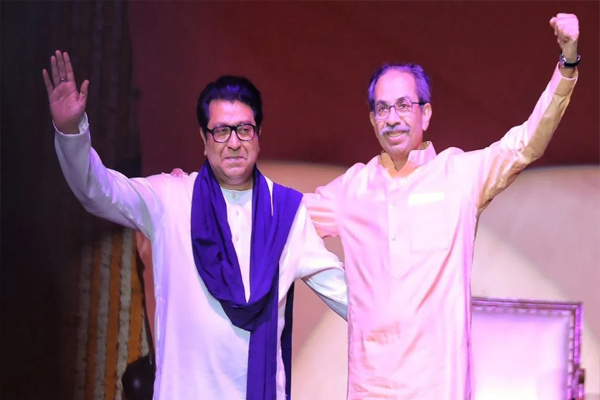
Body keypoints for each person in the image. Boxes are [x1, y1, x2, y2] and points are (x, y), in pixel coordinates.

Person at [302, 13, 580, 400]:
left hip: (438, 384)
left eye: (403, 105)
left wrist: (567, 65)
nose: (392, 119)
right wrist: (344, 296)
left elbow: (526, 143)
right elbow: (284, 221)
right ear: (372, 120)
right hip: (369, 386)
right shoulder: (352, 190)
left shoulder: (458, 176)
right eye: (382, 109)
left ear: (426, 113)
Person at [43, 54, 348, 400]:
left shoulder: (288, 214)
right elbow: (97, 190)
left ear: (258, 135)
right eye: (221, 131)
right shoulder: (171, 199)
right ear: (204, 139)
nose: (234, 142)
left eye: (244, 129)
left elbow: (347, 297)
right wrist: (71, 132)